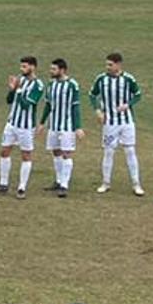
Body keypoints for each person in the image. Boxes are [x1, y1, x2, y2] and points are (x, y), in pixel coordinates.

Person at [89, 52, 144, 196]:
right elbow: (92, 95)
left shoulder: (128, 79)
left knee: (130, 151)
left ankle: (136, 184)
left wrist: (128, 104)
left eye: (110, 65)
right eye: (107, 64)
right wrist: (98, 110)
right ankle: (105, 183)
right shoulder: (101, 79)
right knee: (108, 151)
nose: (107, 67)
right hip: (110, 123)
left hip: (127, 122)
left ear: (119, 65)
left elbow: (138, 95)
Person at [0, 56, 44, 199]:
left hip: (26, 127)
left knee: (26, 155)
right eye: (21, 66)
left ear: (33, 67)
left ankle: (22, 187)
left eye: (24, 66)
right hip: (12, 123)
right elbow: (9, 101)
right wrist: (12, 90)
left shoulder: (38, 85)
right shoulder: (20, 81)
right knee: (4, 151)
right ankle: (3, 184)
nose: (21, 69)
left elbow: (26, 105)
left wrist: (18, 90)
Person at [39, 58, 83, 198]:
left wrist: (78, 127)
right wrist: (42, 123)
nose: (51, 71)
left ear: (62, 70)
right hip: (54, 125)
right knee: (55, 151)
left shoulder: (72, 85)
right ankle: (58, 181)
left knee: (66, 153)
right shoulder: (51, 85)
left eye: (54, 69)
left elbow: (76, 107)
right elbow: (48, 105)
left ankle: (64, 185)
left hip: (67, 126)